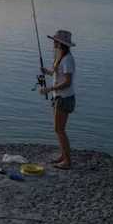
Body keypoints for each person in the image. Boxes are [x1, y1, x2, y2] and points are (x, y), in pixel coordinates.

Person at [40, 30, 76, 169]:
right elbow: (57, 74)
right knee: (59, 129)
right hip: (60, 97)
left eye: (55, 41)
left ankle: (67, 162)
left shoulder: (67, 59)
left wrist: (49, 89)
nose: (53, 43)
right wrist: (47, 71)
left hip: (64, 98)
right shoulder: (61, 56)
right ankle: (63, 156)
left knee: (59, 129)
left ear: (61, 43)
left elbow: (67, 82)